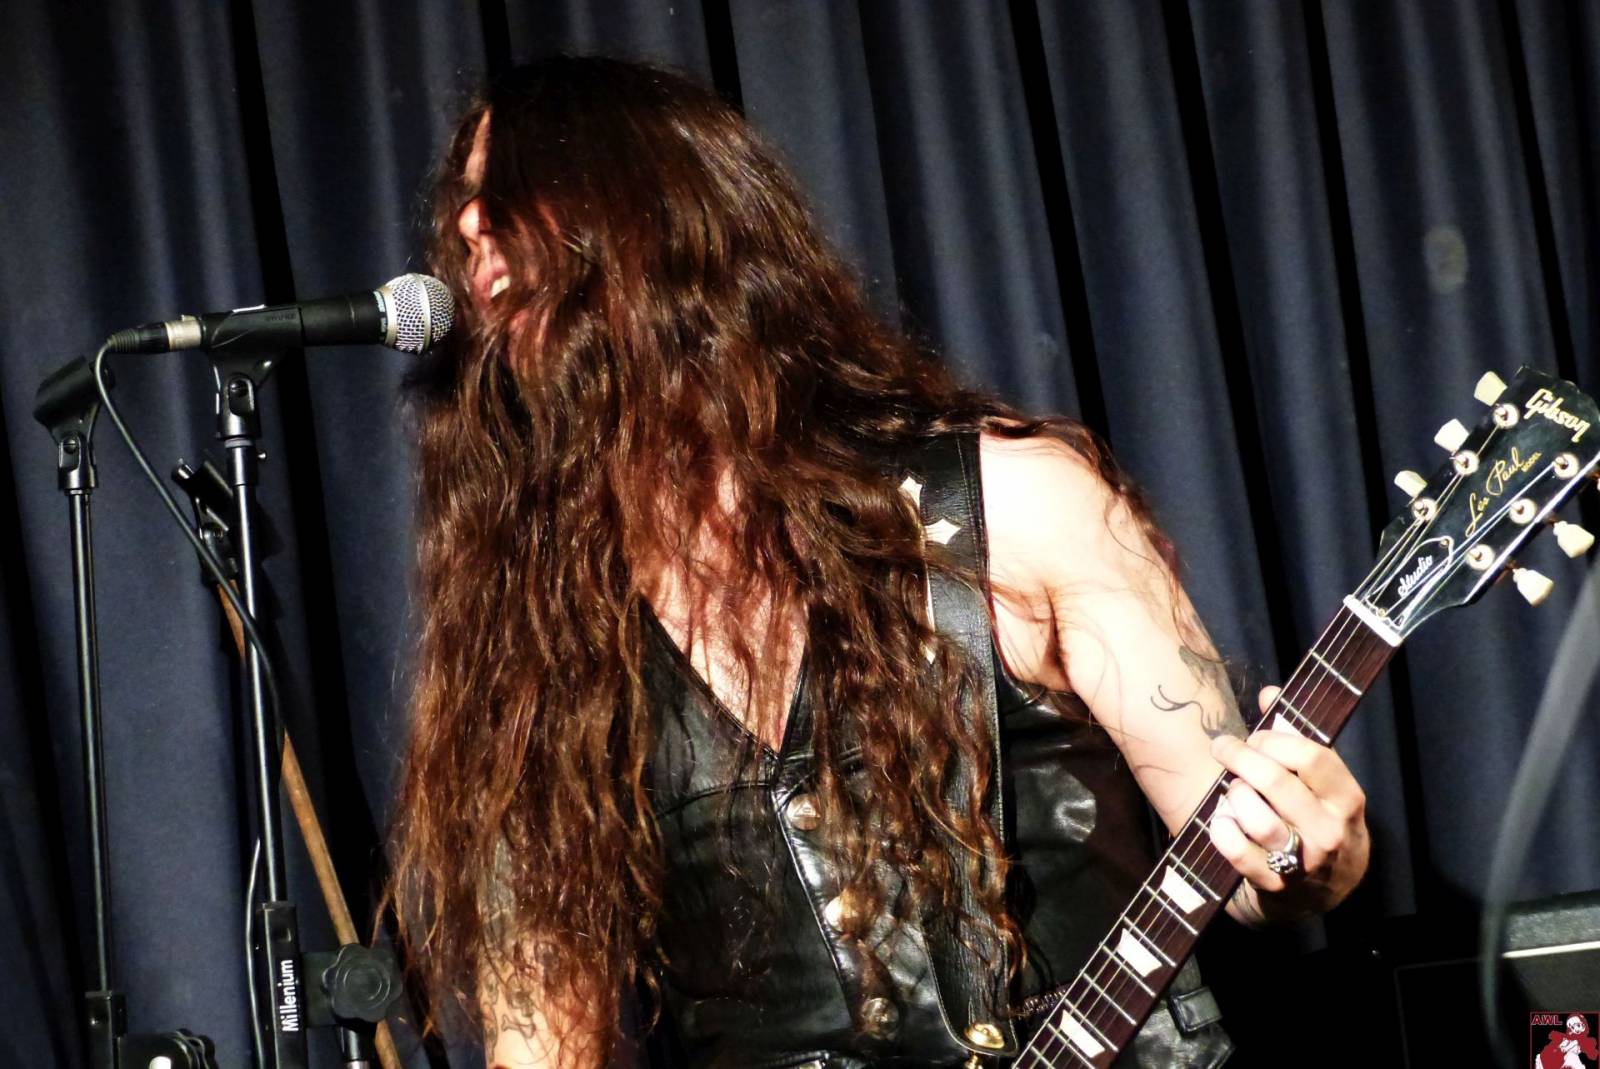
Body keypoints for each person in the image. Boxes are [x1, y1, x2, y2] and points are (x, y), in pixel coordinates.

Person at [380, 55, 1371, 1069]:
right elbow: (542, 1045)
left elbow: (1251, 856)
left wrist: (1309, 850)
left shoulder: (1014, 503)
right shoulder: (538, 645)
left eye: (514, 189)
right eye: (463, 204)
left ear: (656, 218)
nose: (471, 226)